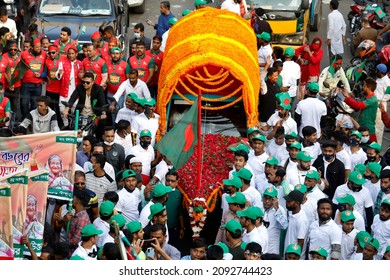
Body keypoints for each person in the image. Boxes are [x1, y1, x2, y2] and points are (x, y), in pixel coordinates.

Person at [342, 78, 378, 142]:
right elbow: (357, 104)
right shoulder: (366, 97)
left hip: (368, 130)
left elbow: (358, 106)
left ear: (369, 88)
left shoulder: (372, 100)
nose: (362, 88)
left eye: (364, 86)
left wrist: (347, 97)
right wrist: (350, 97)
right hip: (361, 126)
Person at [19, 38, 47, 120]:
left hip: (37, 85)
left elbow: (46, 70)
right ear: (31, 47)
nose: (39, 49)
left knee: (35, 105)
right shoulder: (23, 54)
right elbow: (19, 69)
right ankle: (25, 121)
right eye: (37, 47)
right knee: (24, 104)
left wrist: (41, 75)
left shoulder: (44, 54)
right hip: (26, 85)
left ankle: (33, 121)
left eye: (40, 46)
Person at [56, 44, 83, 127]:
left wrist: (82, 76)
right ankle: (66, 125)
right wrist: (59, 74)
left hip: (76, 92)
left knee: (74, 111)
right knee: (62, 110)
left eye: (72, 53)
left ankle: (73, 126)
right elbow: (58, 75)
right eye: (69, 53)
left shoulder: (80, 63)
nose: (71, 55)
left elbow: (83, 76)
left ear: (76, 54)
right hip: (64, 90)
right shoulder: (62, 62)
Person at [262, 186, 288, 255]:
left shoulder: (280, 210)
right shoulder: (261, 208)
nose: (267, 201)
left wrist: (277, 209)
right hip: (262, 244)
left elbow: (284, 226)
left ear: (275, 200)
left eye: (270, 199)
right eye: (265, 198)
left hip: (273, 246)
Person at [283, 190, 309, 259]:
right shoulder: (292, 213)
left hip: (294, 257)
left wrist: (294, 258)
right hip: (288, 255)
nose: (286, 203)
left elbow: (300, 242)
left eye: (289, 201)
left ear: (297, 203)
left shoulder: (302, 220)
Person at [4, 40, 21, 122]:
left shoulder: (20, 56)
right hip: (7, 85)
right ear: (8, 49)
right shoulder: (4, 56)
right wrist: (10, 83)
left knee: (15, 104)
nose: (13, 51)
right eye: (11, 49)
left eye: (15, 49)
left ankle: (14, 122)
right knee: (7, 104)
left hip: (17, 85)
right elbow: (3, 72)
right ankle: (6, 122)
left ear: (17, 49)